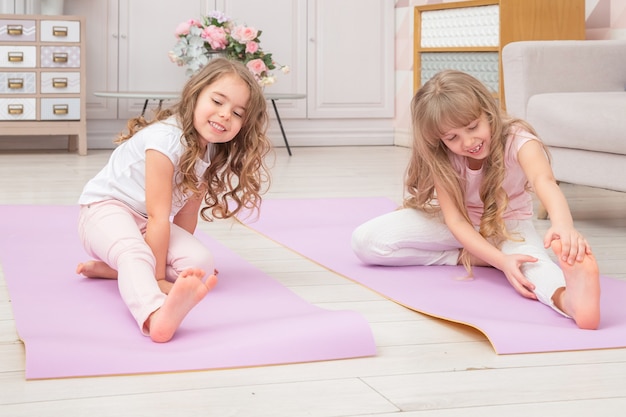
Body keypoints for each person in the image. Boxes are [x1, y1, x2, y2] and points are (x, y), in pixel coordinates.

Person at [351, 70, 601, 330]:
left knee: (530, 267)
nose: (468, 142)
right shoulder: (442, 156)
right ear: (439, 139)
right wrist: (499, 261)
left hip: (508, 226)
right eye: (452, 137)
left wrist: (563, 225)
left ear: (487, 112)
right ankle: (469, 257)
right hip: (458, 228)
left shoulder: (519, 139)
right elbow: (456, 221)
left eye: (473, 127)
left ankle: (569, 301)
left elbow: (544, 181)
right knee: (365, 241)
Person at [76, 58, 272, 342]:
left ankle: (118, 269)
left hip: (145, 223)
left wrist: (173, 259)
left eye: (238, 113)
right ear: (194, 94)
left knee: (200, 263)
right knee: (136, 252)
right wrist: (157, 281)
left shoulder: (210, 152)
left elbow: (185, 216)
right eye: (217, 101)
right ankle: (154, 316)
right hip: (105, 212)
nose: (225, 115)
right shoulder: (165, 140)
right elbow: (159, 216)